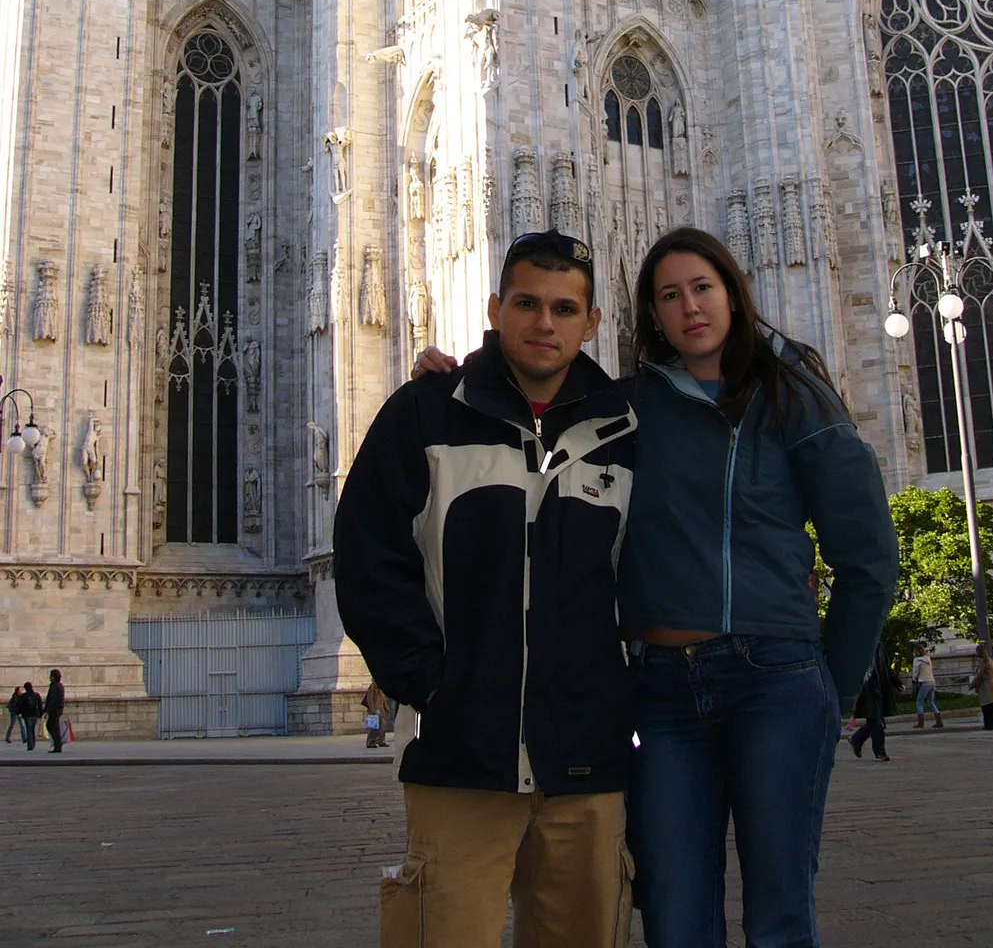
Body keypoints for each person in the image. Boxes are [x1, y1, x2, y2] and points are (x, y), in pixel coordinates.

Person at [416, 223, 897, 947]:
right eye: (670, 295)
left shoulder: (792, 394)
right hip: (665, 691)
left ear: (732, 293)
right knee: (672, 916)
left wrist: (836, 687)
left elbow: (868, 556)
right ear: (651, 314)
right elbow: (544, 414)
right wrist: (456, 383)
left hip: (774, 678)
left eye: (703, 288)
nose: (690, 307)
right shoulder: (631, 405)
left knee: (778, 914)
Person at [334, 231, 638, 948]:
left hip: (585, 764)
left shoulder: (627, 432)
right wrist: (430, 684)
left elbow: (646, 575)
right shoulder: (425, 413)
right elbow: (369, 553)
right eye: (527, 303)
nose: (545, 323)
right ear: (496, 308)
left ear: (593, 323)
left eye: (565, 309)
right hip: (461, 758)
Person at [849, 643, 899, 761]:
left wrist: (897, 682)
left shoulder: (879, 647)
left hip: (879, 688)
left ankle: (857, 739)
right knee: (876, 721)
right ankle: (880, 752)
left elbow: (886, 668)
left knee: (876, 720)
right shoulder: (860, 645)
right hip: (866, 689)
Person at [911, 642, 944, 729]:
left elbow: (915, 673)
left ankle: (921, 722)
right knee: (931, 702)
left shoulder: (917, 660)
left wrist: (914, 681)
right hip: (932, 681)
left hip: (924, 682)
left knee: (919, 702)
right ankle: (939, 720)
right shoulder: (928, 659)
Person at [970, 641, 993, 730]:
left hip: (987, 685)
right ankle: (991, 724)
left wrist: (973, 685)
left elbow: (980, 675)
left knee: (987, 705)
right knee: (991, 705)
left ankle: (990, 724)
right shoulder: (989, 660)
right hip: (990, 683)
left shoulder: (985, 662)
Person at [362, 680, 390, 749]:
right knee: (373, 727)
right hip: (375, 710)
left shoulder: (380, 688)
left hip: (380, 710)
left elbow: (383, 699)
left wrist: (386, 708)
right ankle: (370, 742)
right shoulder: (373, 687)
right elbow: (370, 699)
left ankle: (380, 740)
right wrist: (372, 709)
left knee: (383, 726)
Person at [44, 669, 65, 753]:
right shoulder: (59, 685)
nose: (49, 677)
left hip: (54, 710)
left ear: (54, 677)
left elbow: (52, 700)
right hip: (57, 710)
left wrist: (47, 711)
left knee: (51, 726)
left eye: (51, 676)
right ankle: (58, 745)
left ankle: (58, 745)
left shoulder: (54, 686)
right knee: (54, 727)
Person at [17, 681, 42, 751]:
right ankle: (33, 744)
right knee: (32, 729)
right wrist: (41, 714)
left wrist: (19, 713)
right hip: (35, 715)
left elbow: (20, 706)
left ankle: (30, 746)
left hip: (27, 715)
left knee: (29, 730)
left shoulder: (23, 696)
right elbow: (40, 705)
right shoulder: (37, 695)